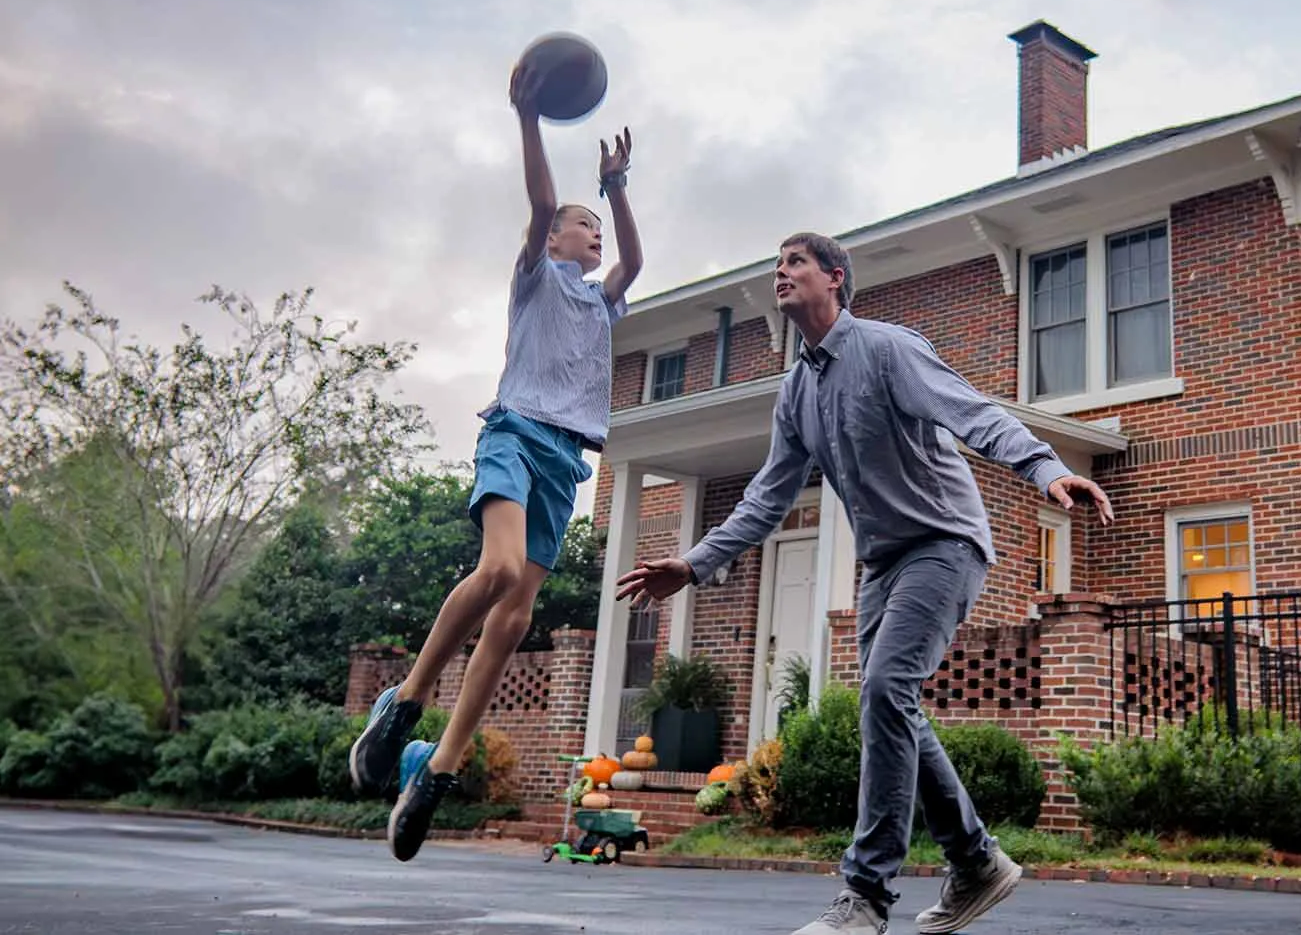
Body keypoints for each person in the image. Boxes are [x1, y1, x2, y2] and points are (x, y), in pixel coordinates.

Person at [617, 232, 1113, 935]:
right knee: (891, 704)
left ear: (836, 279)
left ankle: (866, 899)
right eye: (776, 266)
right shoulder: (796, 391)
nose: (781, 274)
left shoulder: (888, 349)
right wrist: (694, 563)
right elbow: (767, 496)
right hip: (883, 564)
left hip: (943, 542)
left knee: (887, 690)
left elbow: (971, 414)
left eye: (795, 263)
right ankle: (977, 862)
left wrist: (1044, 467)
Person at [347, 57, 641, 862]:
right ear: (554, 240)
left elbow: (636, 265)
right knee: (501, 571)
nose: (595, 234)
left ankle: (435, 771)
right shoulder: (534, 277)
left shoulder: (599, 297)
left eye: (596, 227)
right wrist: (530, 119)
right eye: (586, 223)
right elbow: (543, 200)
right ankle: (404, 703)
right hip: (514, 431)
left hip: (566, 459)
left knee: (512, 620)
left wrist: (617, 186)